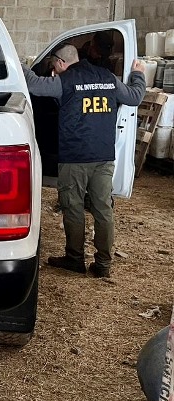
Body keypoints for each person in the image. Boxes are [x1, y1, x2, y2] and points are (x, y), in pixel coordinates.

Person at [23, 44, 146, 278]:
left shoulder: (66, 80)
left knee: (73, 208)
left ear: (61, 63)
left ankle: (74, 259)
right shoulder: (108, 77)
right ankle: (103, 264)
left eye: (54, 66)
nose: (54, 71)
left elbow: (34, 85)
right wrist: (138, 74)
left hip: (74, 158)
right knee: (103, 209)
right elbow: (135, 97)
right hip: (103, 157)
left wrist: (18, 64)